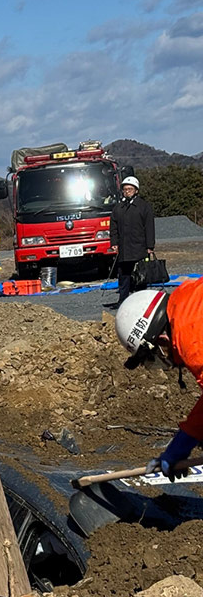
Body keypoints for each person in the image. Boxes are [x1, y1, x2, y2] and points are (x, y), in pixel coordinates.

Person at [115, 281, 203, 479]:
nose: (166, 363)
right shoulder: (187, 298)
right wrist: (184, 442)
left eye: (155, 358)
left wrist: (183, 444)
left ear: (162, 341)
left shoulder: (192, 340)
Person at [110, 176, 156, 305]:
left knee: (141, 274)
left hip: (140, 246)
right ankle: (123, 301)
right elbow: (113, 227)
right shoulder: (119, 208)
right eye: (125, 189)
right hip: (124, 248)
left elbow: (149, 227)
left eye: (130, 189)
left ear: (136, 190)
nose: (127, 191)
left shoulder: (144, 206)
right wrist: (114, 243)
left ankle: (141, 300)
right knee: (123, 275)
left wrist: (150, 246)